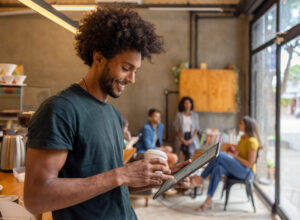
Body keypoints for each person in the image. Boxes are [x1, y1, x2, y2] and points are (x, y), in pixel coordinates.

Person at [23, 6, 190, 220]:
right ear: (99, 57)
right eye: (126, 68)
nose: (132, 79)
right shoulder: (60, 110)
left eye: (135, 70)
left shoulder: (113, 115)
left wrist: (158, 179)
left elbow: (110, 186)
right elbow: (36, 198)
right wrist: (121, 174)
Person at [190, 116, 263, 211]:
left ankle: (201, 177)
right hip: (238, 167)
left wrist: (233, 156)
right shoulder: (242, 138)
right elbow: (238, 153)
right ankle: (208, 200)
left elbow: (249, 164)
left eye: (241, 123)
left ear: (247, 126)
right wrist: (230, 154)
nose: (239, 124)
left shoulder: (252, 141)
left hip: (246, 172)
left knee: (219, 155)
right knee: (217, 168)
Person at [174, 96, 201, 160]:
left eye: (189, 103)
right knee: (180, 155)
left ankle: (188, 168)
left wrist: (191, 139)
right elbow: (177, 128)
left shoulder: (195, 115)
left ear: (191, 104)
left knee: (190, 153)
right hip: (182, 137)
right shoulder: (179, 115)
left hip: (192, 137)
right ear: (183, 104)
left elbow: (197, 128)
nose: (187, 105)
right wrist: (182, 139)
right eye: (185, 103)